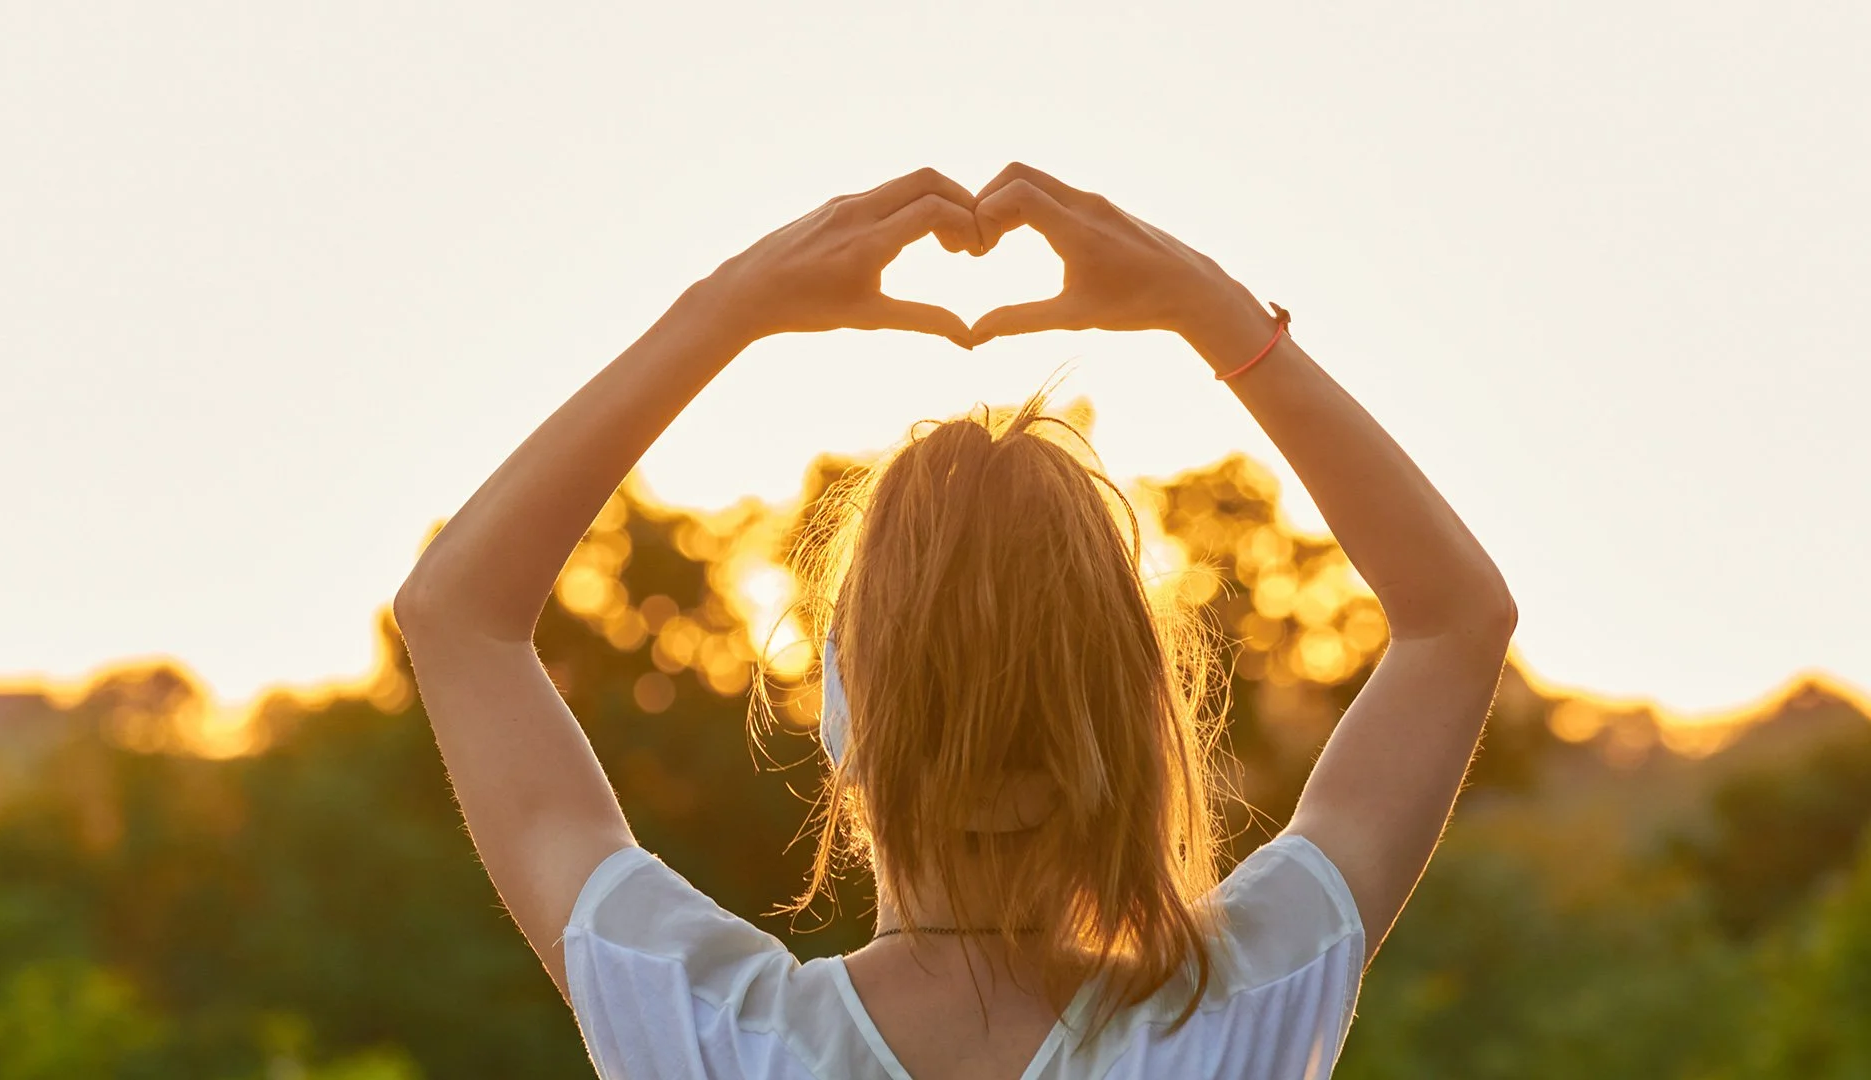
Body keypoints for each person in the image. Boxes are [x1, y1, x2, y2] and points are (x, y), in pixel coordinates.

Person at [393, 163, 1517, 1079]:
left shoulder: (713, 1036)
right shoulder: (1243, 1010)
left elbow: (455, 616)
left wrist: (726, 311)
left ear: (843, 710)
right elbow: (1457, 621)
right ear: (1139, 720)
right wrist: (1210, 311)